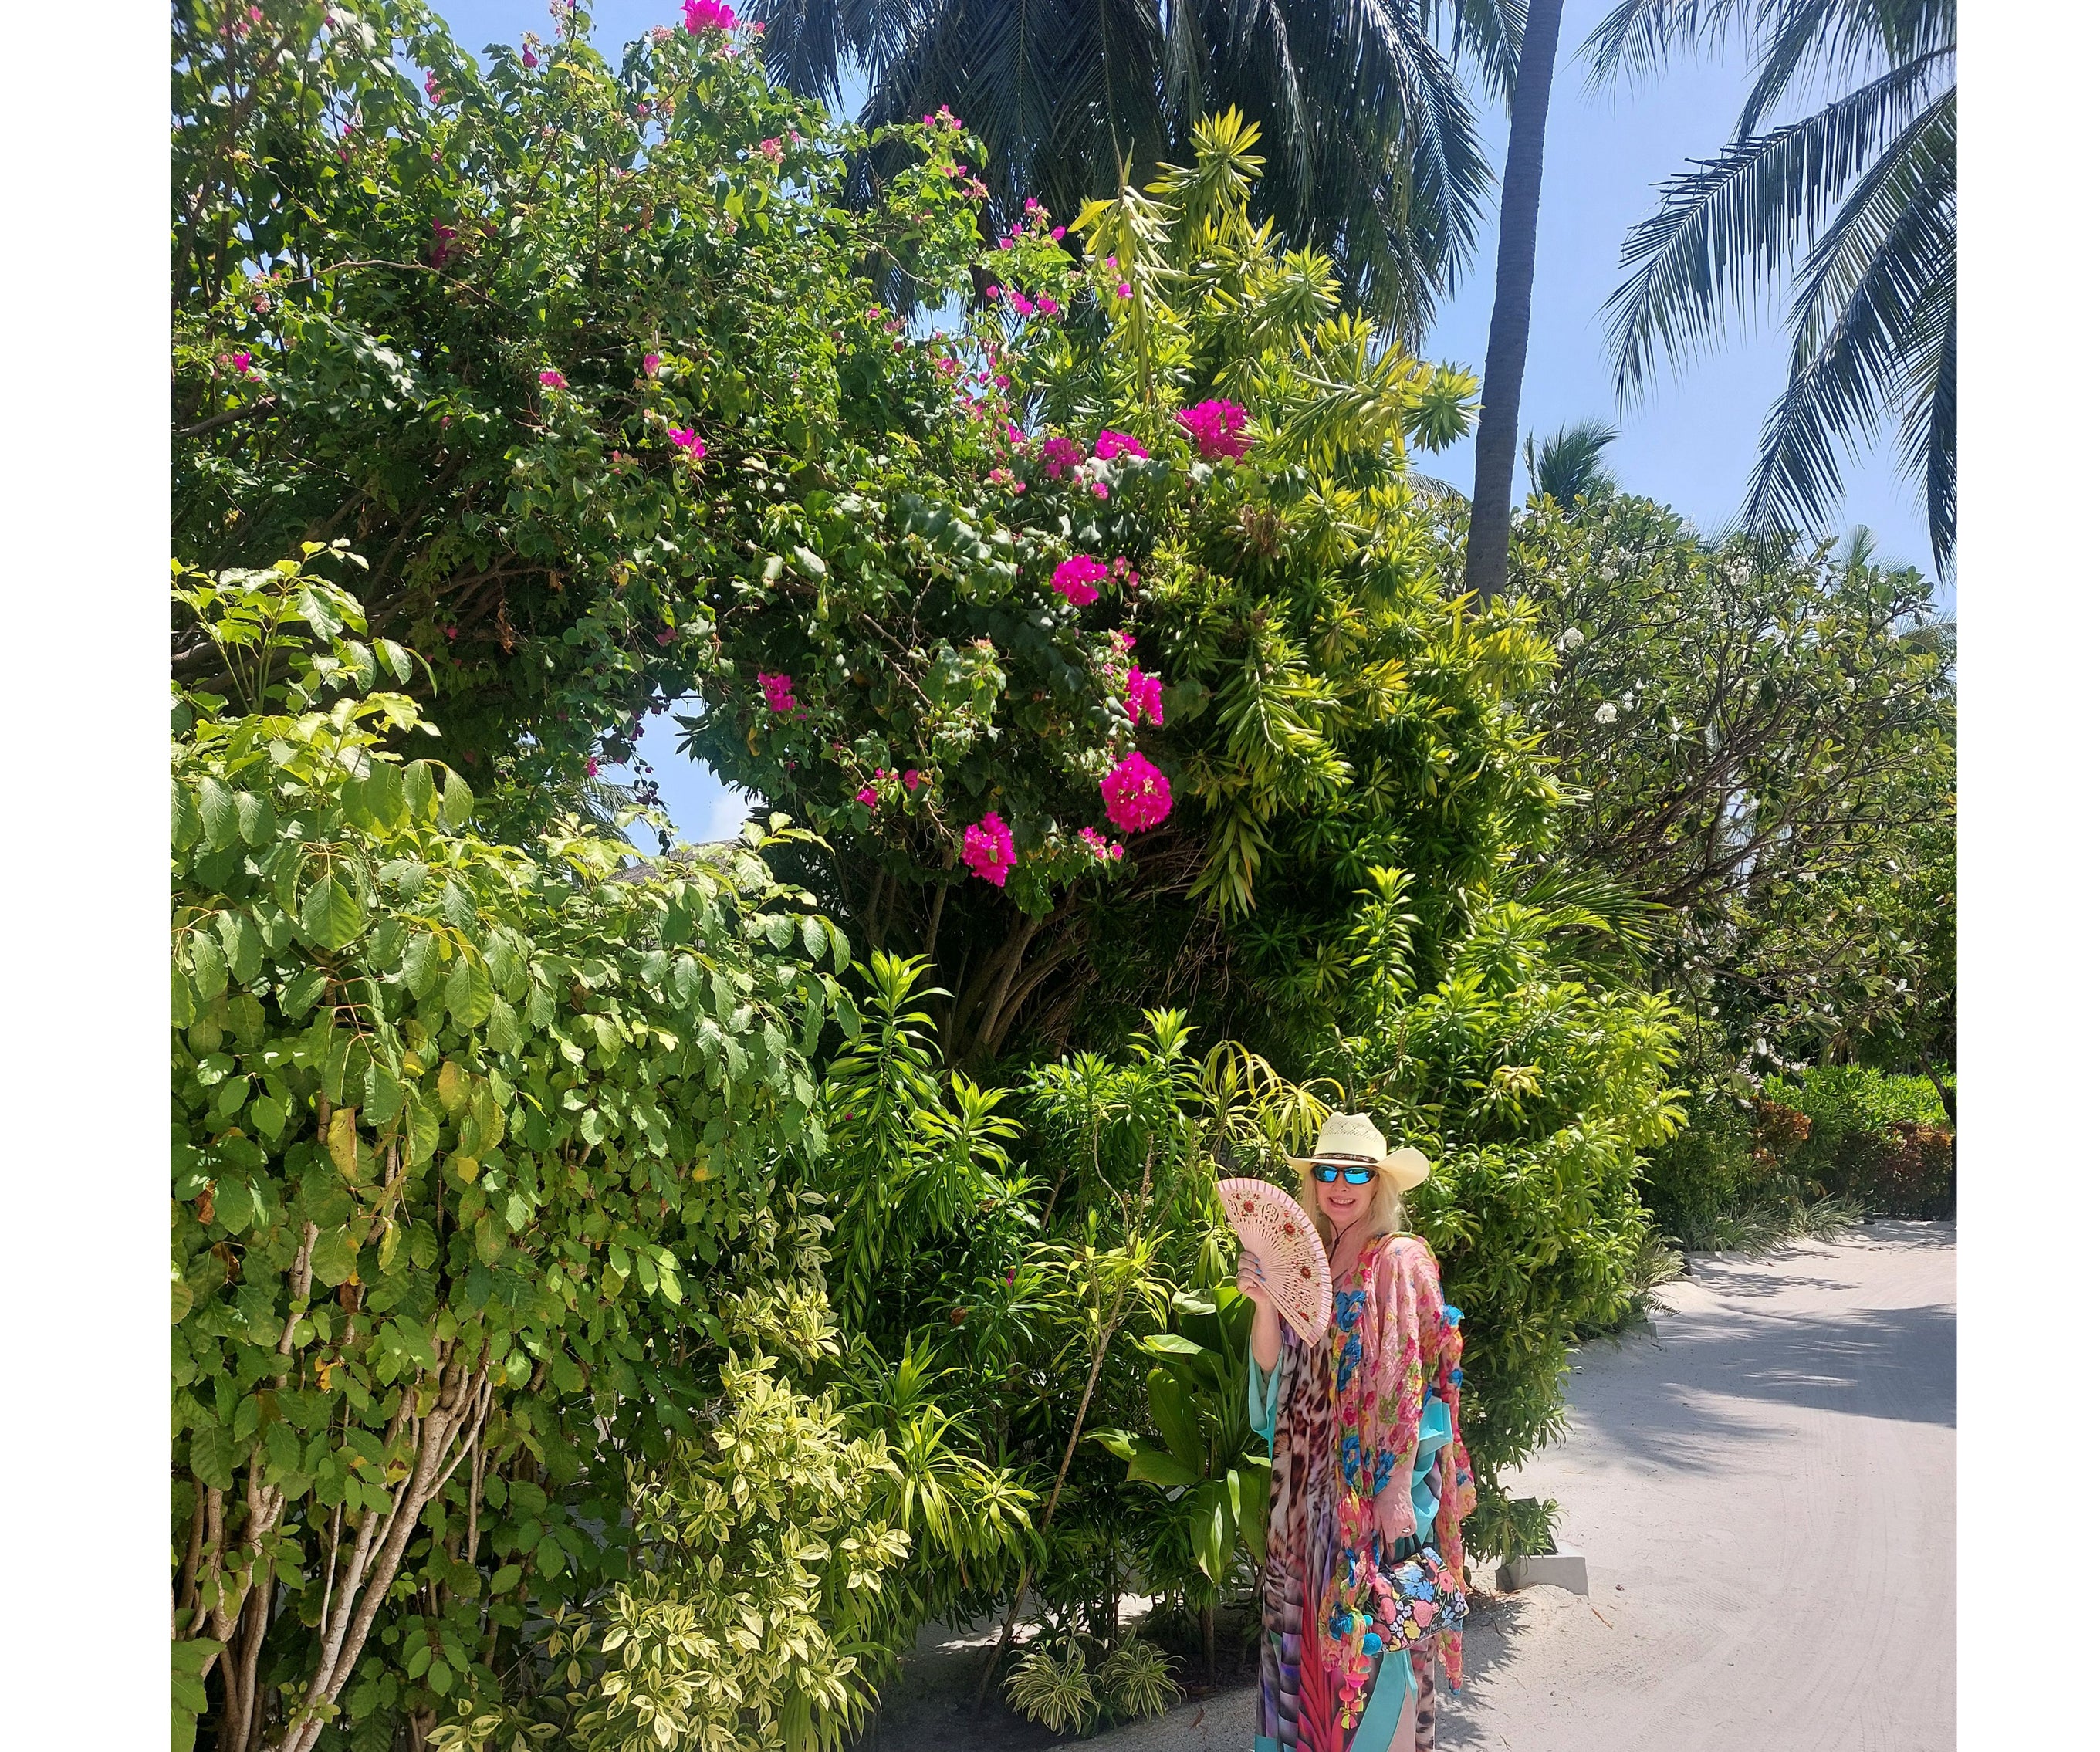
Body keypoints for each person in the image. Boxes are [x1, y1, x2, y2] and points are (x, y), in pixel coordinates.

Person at [1239, 1113, 1476, 1752]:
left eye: (1356, 1173)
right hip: (1300, 1490)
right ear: (1313, 1180)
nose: (1339, 1185)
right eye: (1327, 1172)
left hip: (1368, 1488)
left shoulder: (1400, 1259)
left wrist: (1397, 1486)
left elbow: (1422, 1381)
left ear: (1379, 1185)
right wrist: (1263, 1304)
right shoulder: (1302, 1261)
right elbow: (1271, 1377)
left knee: (1377, 1635)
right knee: (1305, 1643)